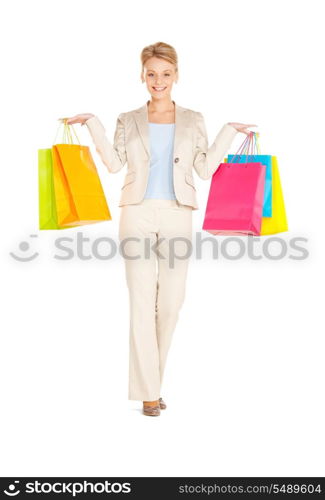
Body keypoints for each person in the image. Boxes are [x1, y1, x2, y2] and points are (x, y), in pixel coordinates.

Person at [65, 41, 257, 416]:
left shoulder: (193, 119)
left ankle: (153, 383)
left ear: (176, 75)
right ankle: (149, 394)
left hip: (177, 212)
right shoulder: (128, 119)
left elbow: (203, 170)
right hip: (136, 212)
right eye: (151, 73)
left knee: (170, 304)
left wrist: (228, 133)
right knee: (140, 301)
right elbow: (114, 163)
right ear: (142, 75)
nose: (158, 80)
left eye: (165, 73)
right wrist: (93, 124)